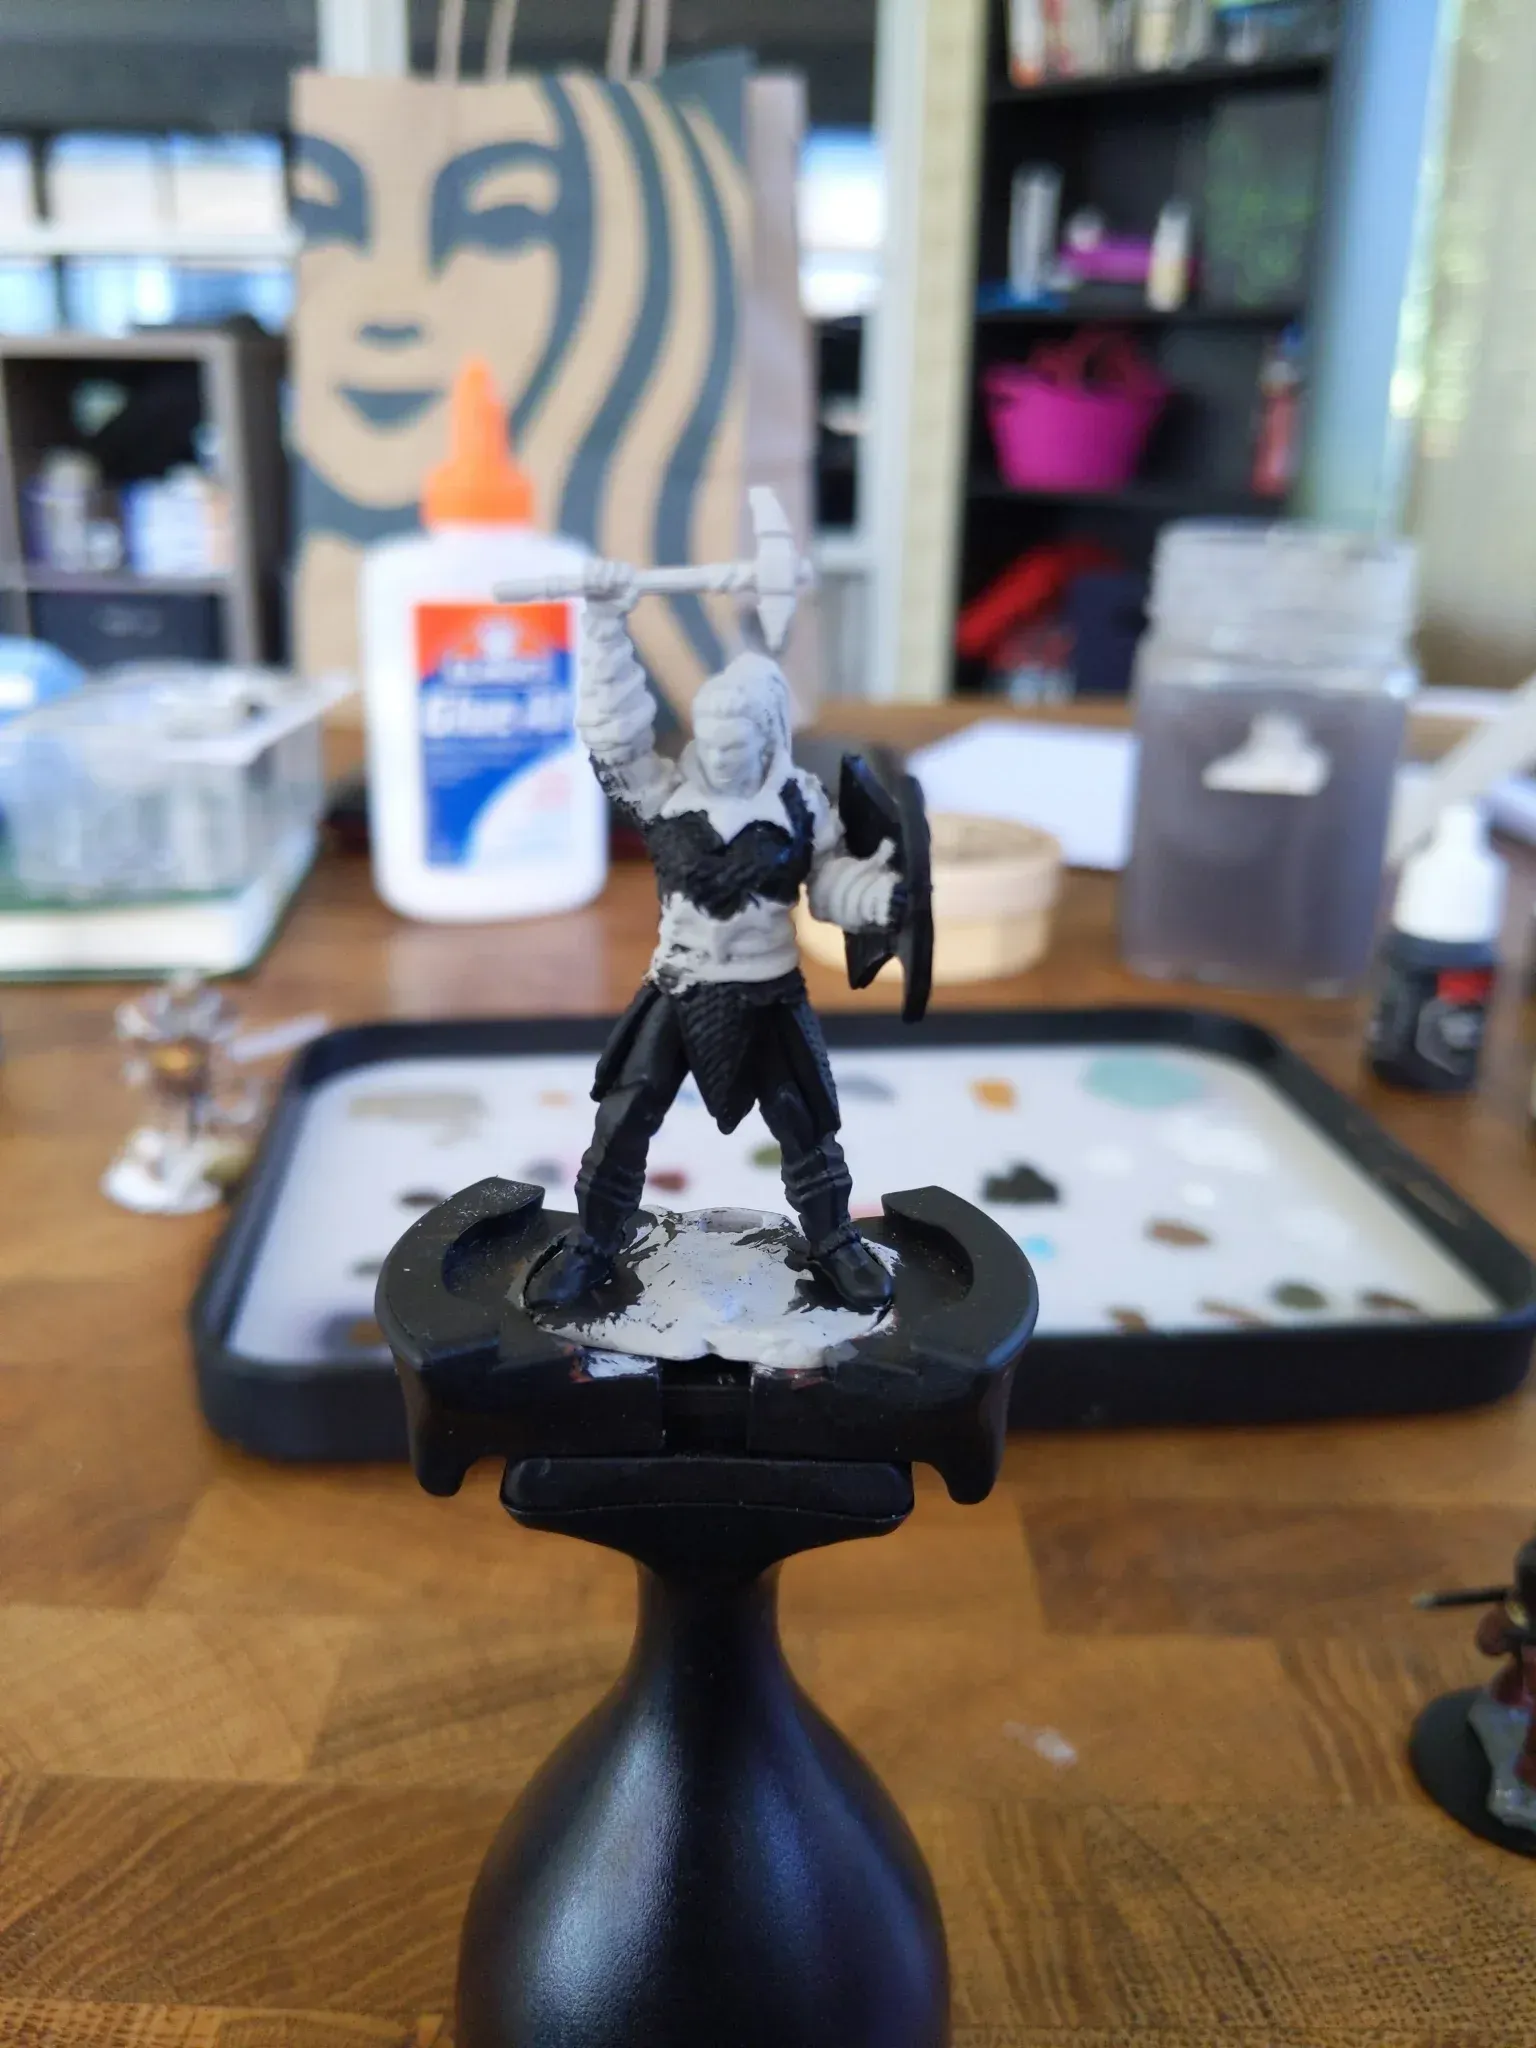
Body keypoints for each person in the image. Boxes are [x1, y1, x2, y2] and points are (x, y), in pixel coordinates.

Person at [526, 569, 904, 1315]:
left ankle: (834, 1241)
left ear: (767, 734)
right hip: (680, 982)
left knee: (803, 1124)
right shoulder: (666, 792)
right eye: (713, 741)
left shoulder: (800, 802)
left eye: (738, 743)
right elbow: (612, 733)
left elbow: (831, 884)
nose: (723, 757)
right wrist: (605, 622)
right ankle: (594, 1243)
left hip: (768, 990)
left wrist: (879, 895)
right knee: (624, 1116)